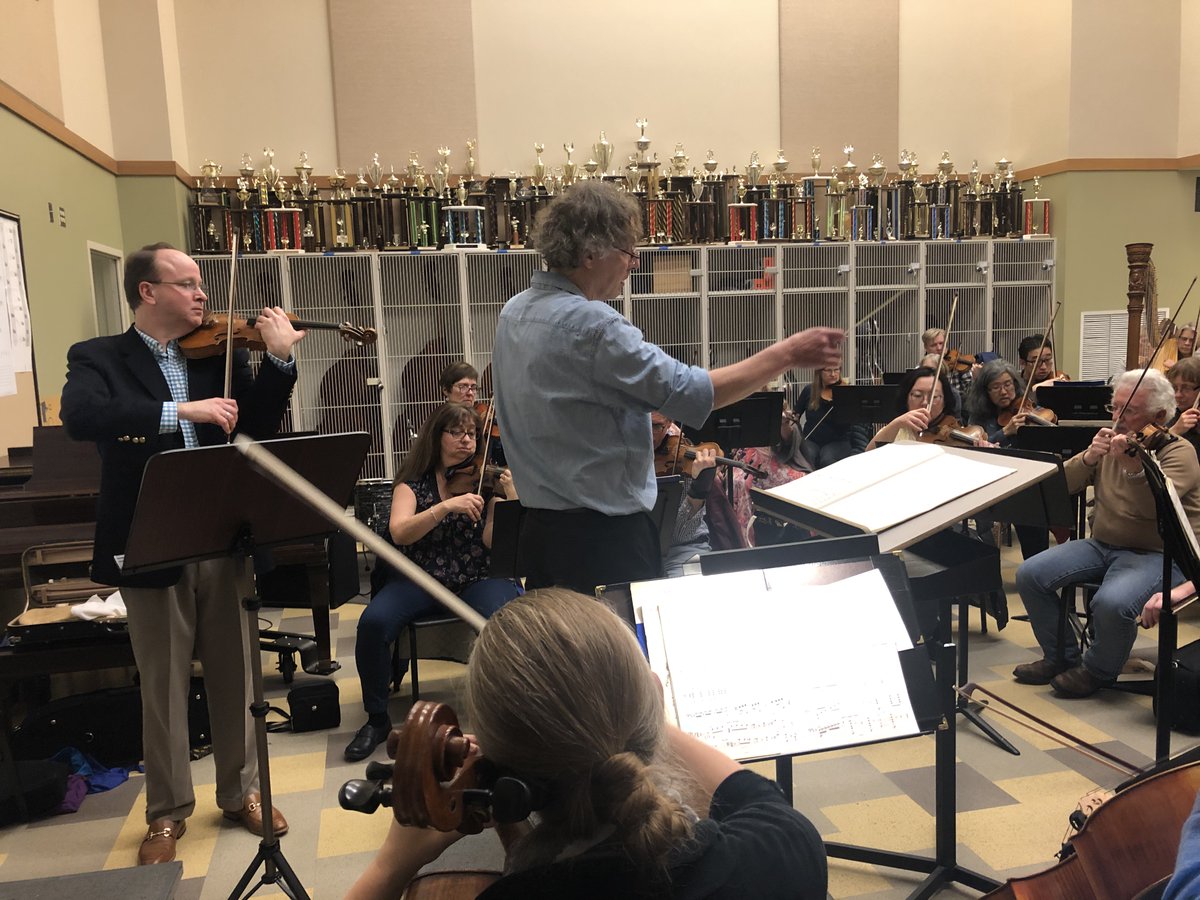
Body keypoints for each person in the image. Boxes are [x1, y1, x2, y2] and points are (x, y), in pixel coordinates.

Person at [60, 243, 304, 865]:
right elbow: (82, 415)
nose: (203, 295)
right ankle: (166, 813)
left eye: (201, 284)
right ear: (148, 291)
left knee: (237, 672)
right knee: (163, 683)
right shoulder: (99, 357)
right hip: (151, 535)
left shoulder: (218, 352)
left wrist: (278, 362)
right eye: (189, 283)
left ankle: (242, 791)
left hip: (224, 530)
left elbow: (257, 428)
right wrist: (178, 411)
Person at [344, 589, 828, 900]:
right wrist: (642, 709)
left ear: (499, 757)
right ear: (649, 710)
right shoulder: (783, 848)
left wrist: (392, 865)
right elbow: (740, 786)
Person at [492, 181, 842, 594]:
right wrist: (786, 354)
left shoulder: (514, 313)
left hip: (540, 533)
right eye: (627, 251)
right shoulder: (596, 327)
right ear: (589, 253)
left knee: (563, 657)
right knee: (620, 657)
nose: (634, 263)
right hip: (603, 542)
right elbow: (694, 392)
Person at [345, 402, 522, 762]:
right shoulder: (412, 484)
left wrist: (510, 500)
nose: (466, 440)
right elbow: (400, 532)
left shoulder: (485, 481)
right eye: (456, 432)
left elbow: (490, 542)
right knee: (373, 623)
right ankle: (377, 719)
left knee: (508, 622)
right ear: (435, 437)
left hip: (475, 576)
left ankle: (506, 712)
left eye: (472, 433)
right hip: (419, 578)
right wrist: (445, 508)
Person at [1013, 369, 1200, 698]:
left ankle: (1097, 670)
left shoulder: (1178, 452)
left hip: (1158, 554)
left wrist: (1132, 466)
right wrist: (1088, 457)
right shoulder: (1112, 442)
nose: (1118, 418)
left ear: (1159, 415)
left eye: (1129, 411)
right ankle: (1061, 656)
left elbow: (1152, 510)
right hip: (1102, 544)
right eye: (1114, 408)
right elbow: (1064, 486)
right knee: (1030, 574)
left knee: (1111, 603)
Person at [651, 413, 718, 576]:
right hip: (637, 551)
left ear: (668, 423)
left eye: (655, 426)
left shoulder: (682, 455)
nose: (647, 432)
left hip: (683, 548)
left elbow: (682, 534)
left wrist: (699, 489)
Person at [866, 366, 965, 449]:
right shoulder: (897, 428)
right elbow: (869, 454)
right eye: (917, 395)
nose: (925, 402)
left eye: (934, 397)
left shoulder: (952, 432)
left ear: (945, 401)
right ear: (906, 398)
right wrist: (897, 424)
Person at [794, 366, 855, 468]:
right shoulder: (809, 390)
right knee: (808, 456)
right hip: (811, 440)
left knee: (827, 458)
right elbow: (796, 415)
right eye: (828, 370)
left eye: (836, 370)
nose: (833, 374)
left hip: (839, 441)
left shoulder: (846, 391)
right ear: (819, 372)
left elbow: (854, 421)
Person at [1167, 356, 1200, 456]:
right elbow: (1153, 453)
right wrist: (1175, 430)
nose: (1178, 394)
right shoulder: (1169, 415)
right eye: (1174, 388)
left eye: (1186, 388)